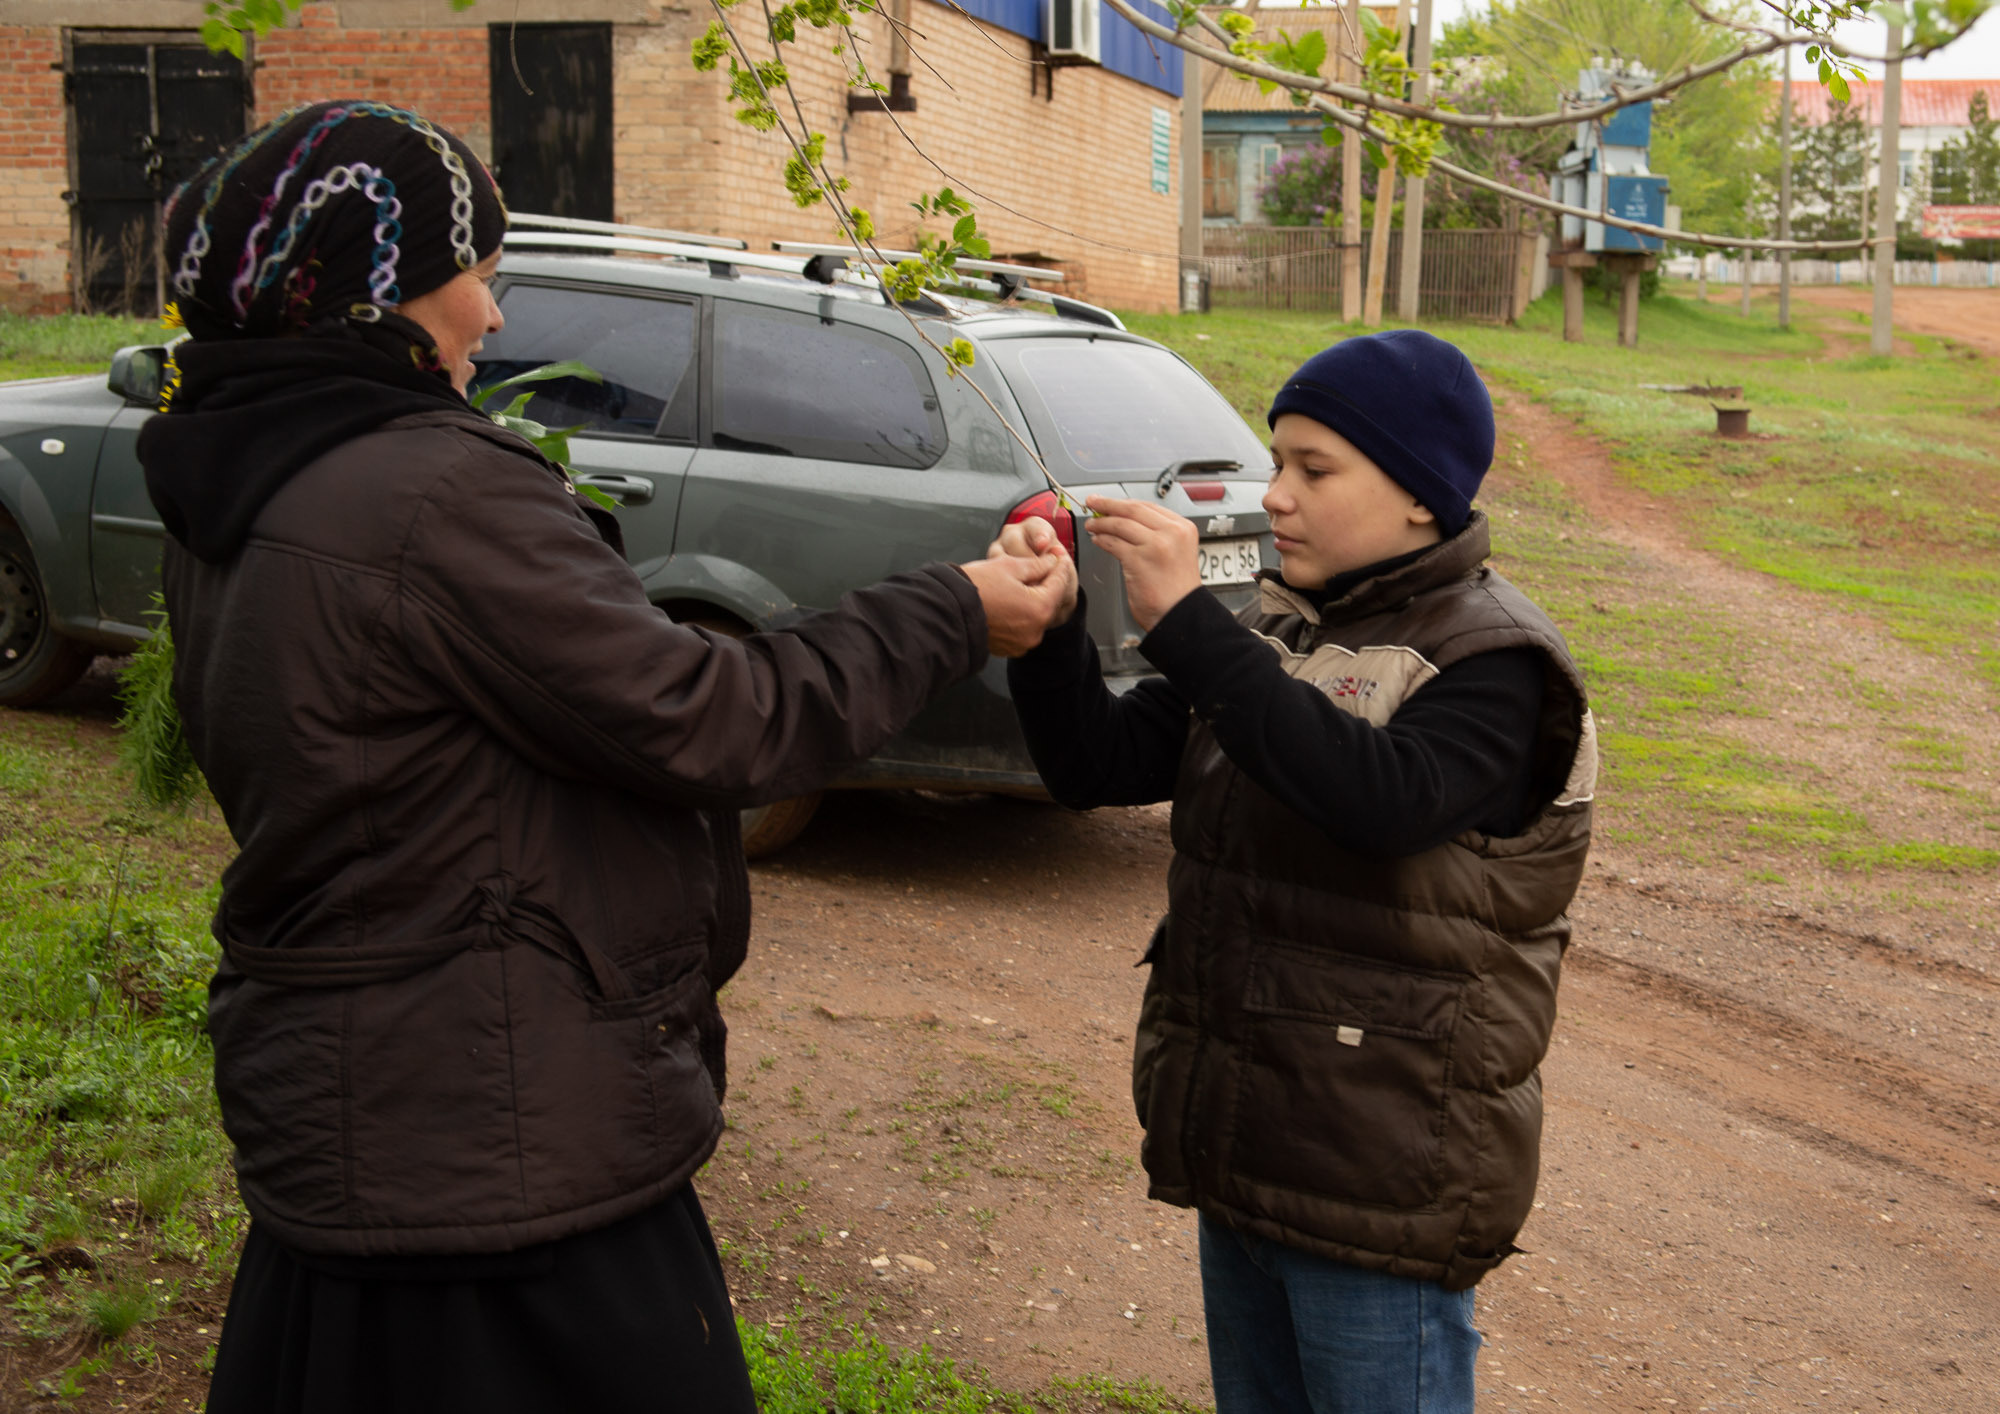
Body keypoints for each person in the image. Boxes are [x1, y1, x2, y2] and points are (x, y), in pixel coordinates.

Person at [137, 100, 1074, 1413]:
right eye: (479, 276)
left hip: (362, 1114)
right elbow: (716, 718)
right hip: (497, 1157)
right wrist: (960, 609)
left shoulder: (240, 483)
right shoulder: (429, 492)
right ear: (376, 294)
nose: (499, 316)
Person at [999, 329, 1597, 1413]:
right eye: (1276, 463)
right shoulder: (1277, 626)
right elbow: (1102, 765)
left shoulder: (1494, 660)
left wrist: (1186, 624)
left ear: (1419, 492)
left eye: (1313, 469)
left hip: (1382, 1174)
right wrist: (1049, 635)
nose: (1275, 497)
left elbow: (1377, 801)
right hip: (1248, 1135)